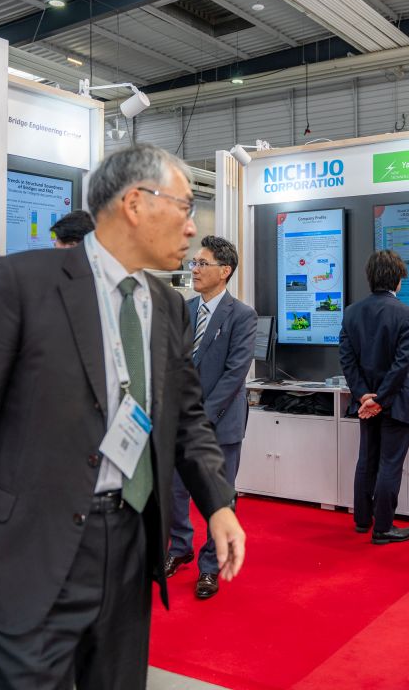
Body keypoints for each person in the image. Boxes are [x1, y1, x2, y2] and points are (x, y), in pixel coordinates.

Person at [0, 143, 244, 690]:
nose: (192, 229)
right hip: (33, 542)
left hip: (130, 541)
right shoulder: (22, 282)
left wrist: (218, 503)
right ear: (135, 204)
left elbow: (187, 418)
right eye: (185, 208)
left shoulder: (166, 305)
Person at [166, 235, 256, 599]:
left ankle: (209, 565)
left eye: (202, 263)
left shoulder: (242, 315)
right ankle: (179, 547)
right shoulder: (182, 309)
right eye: (194, 263)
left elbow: (235, 373)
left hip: (220, 422)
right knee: (175, 490)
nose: (195, 269)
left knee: (218, 496)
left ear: (225, 270)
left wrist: (200, 418)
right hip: (179, 421)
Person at [339, 250, 409, 545]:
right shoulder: (407, 313)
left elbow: (347, 360)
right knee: (390, 464)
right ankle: (383, 528)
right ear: (398, 279)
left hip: (365, 403)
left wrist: (364, 397)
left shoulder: (352, 312)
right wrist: (381, 399)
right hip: (395, 402)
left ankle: (362, 520)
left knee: (367, 459)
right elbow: (401, 364)